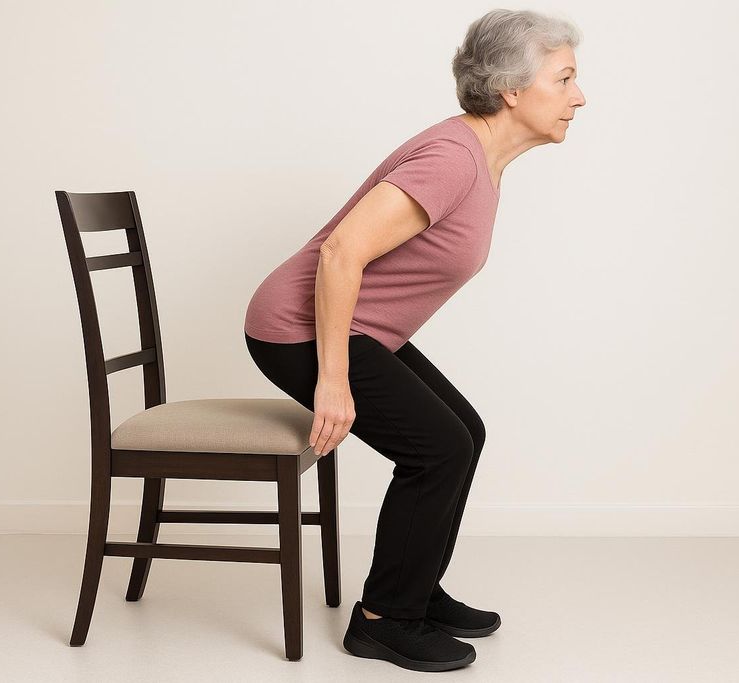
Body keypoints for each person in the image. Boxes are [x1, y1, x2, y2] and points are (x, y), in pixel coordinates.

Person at [244, 8, 586, 672]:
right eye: (565, 78)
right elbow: (341, 253)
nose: (580, 96)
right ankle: (383, 619)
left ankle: (416, 588)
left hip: (355, 325)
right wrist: (333, 380)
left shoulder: (481, 158)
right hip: (297, 328)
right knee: (439, 448)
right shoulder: (452, 159)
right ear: (513, 89)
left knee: (464, 431)